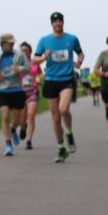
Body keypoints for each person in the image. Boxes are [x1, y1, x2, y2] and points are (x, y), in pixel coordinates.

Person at [31, 12, 84, 163]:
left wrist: (79, 63)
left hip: (67, 79)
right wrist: (44, 57)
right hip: (51, 80)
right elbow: (35, 60)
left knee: (63, 109)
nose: (58, 24)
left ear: (63, 23)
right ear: (52, 24)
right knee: (55, 119)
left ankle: (69, 133)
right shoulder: (44, 40)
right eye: (55, 22)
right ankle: (61, 148)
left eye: (60, 21)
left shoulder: (72, 39)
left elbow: (80, 54)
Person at [0, 33, 29, 156]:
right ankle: (8, 145)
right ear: (2, 43)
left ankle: (13, 129)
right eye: (9, 43)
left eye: (13, 43)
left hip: (16, 89)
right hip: (1, 90)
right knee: (5, 116)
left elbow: (28, 67)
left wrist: (20, 68)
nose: (12, 45)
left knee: (17, 119)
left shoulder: (19, 55)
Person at [17, 41, 41, 150]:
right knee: (22, 119)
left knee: (31, 115)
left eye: (26, 50)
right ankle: (23, 128)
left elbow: (41, 74)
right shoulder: (17, 65)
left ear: (30, 52)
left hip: (33, 91)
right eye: (22, 51)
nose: (24, 52)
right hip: (20, 93)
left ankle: (29, 140)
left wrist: (40, 79)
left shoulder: (35, 63)